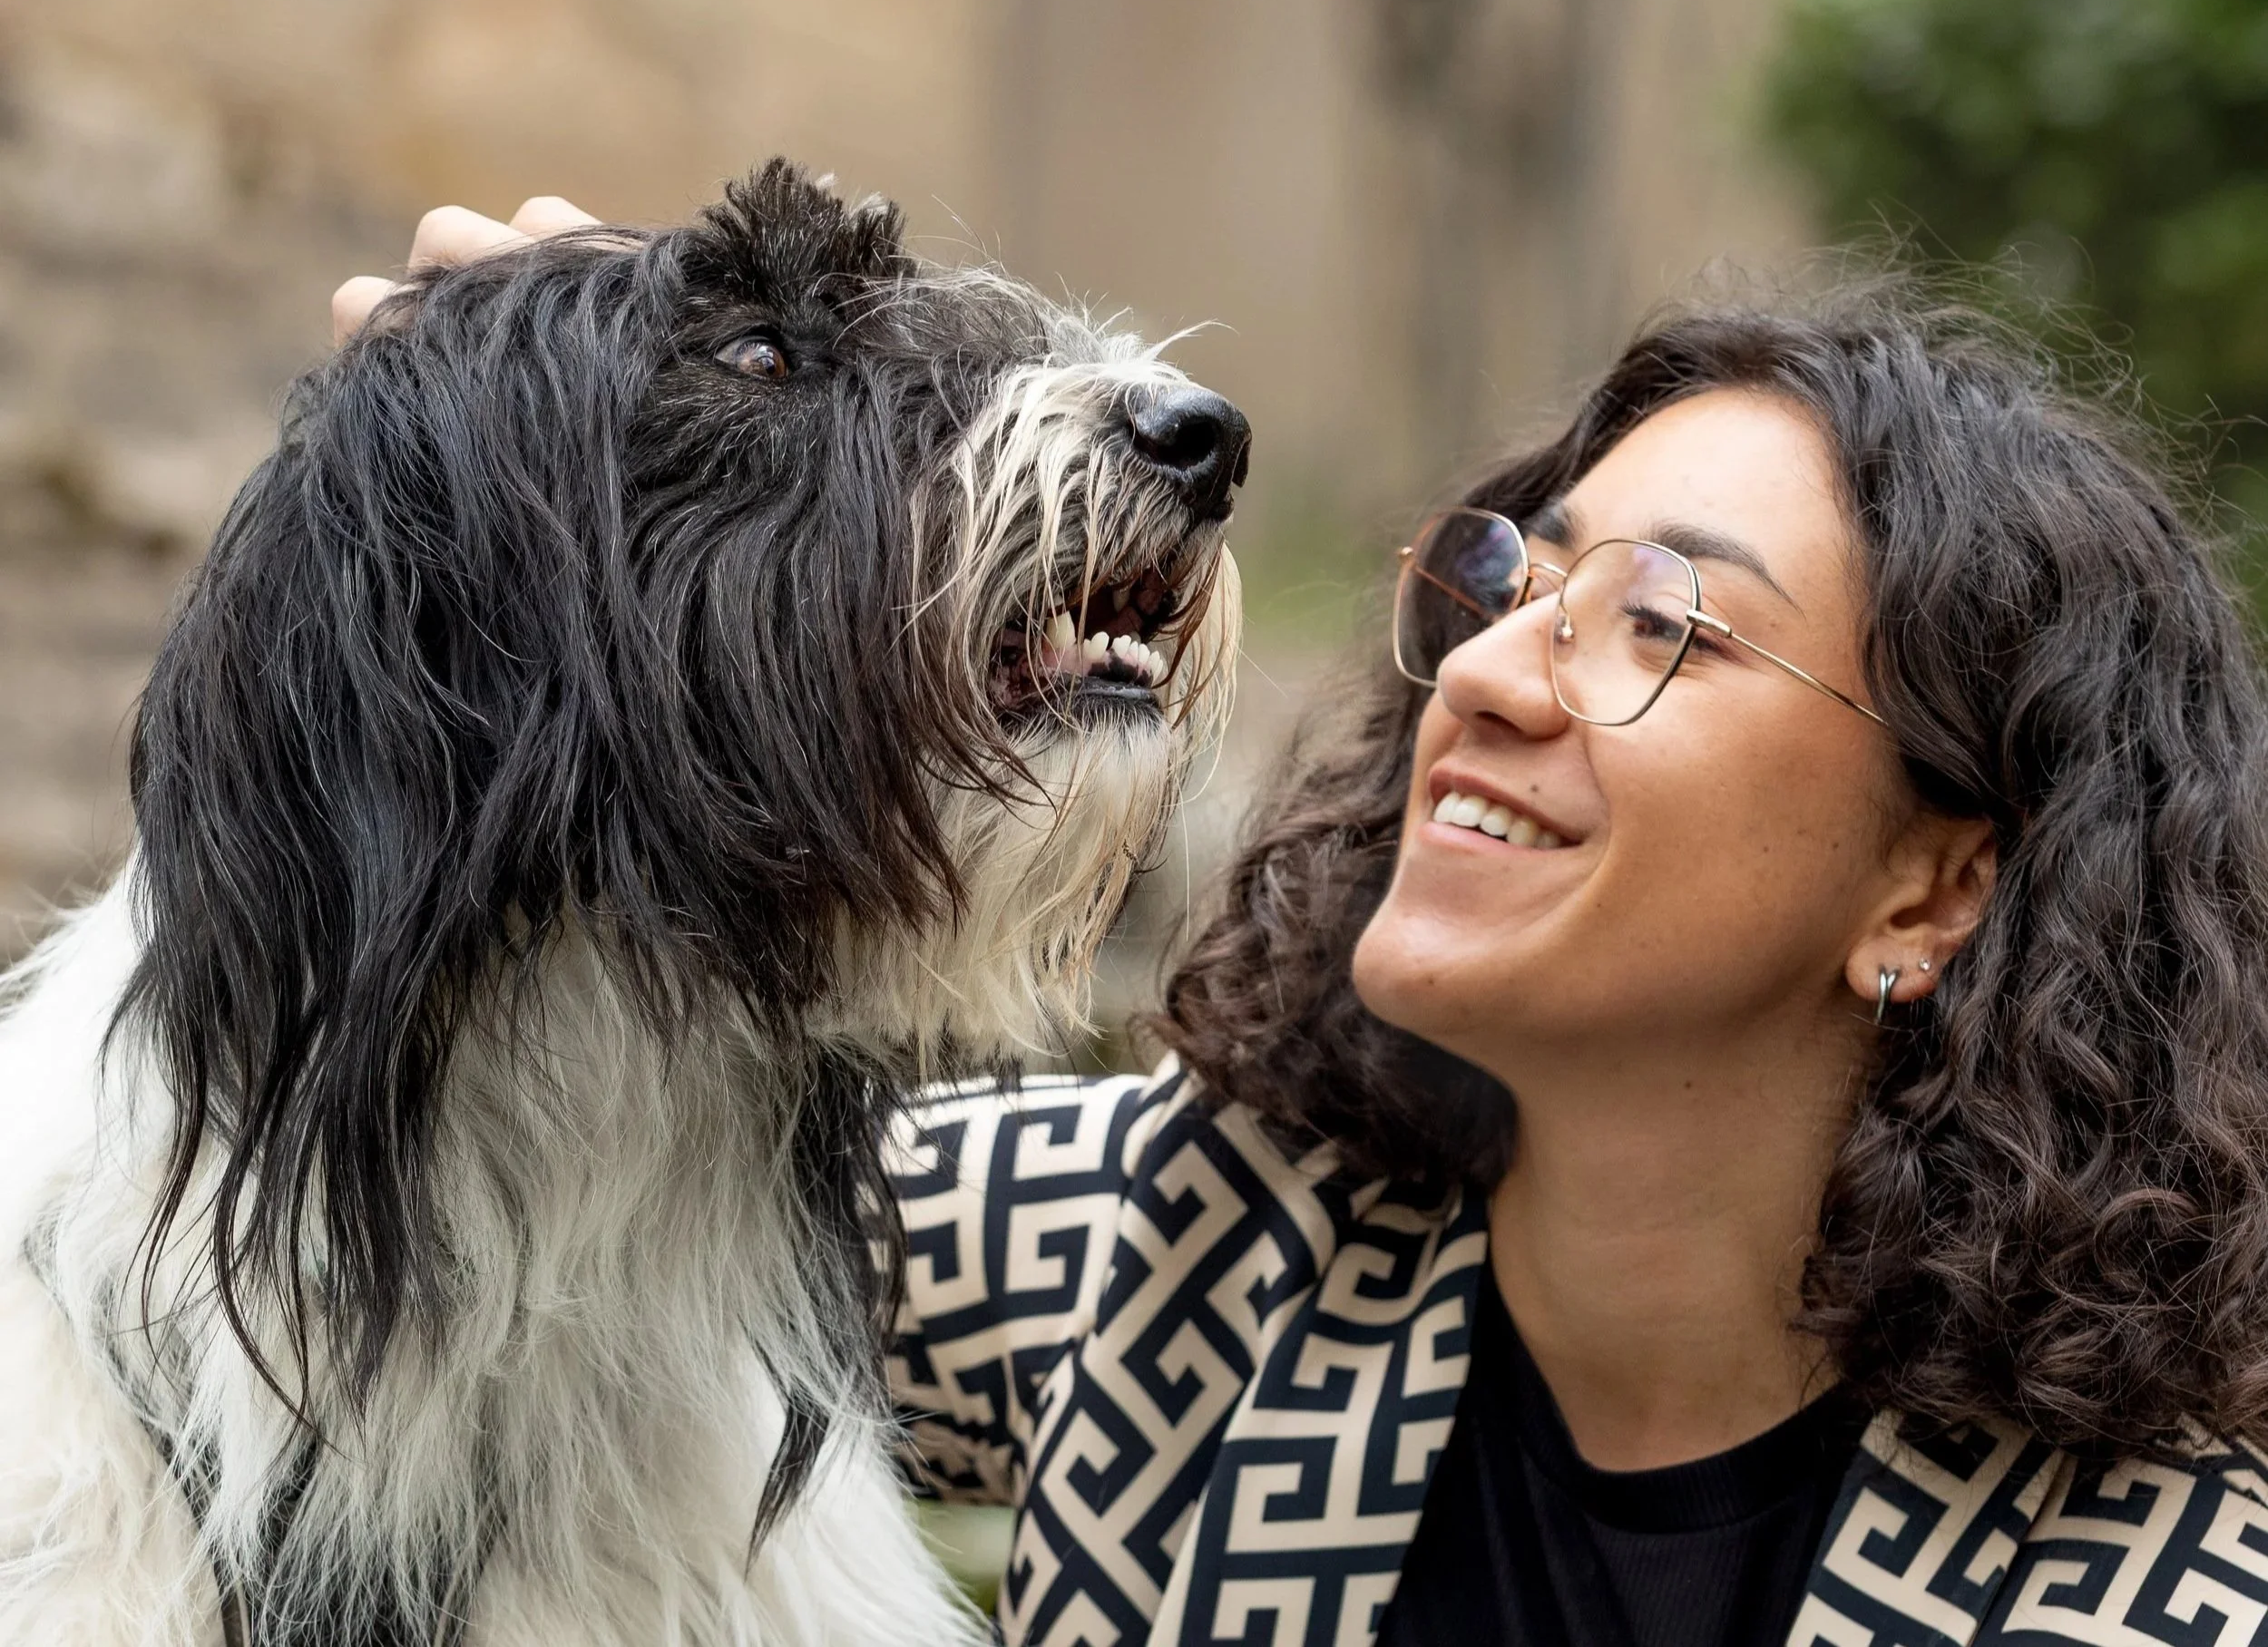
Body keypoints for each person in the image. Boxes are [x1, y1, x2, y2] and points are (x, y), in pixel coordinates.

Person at [348, 210, 2268, 1647]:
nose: (1494, 671)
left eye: (1663, 623)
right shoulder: (1179, 1253)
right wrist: (539, 458)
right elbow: (476, 1213)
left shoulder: (2166, 1590)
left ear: (1929, 888)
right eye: (1522, 575)